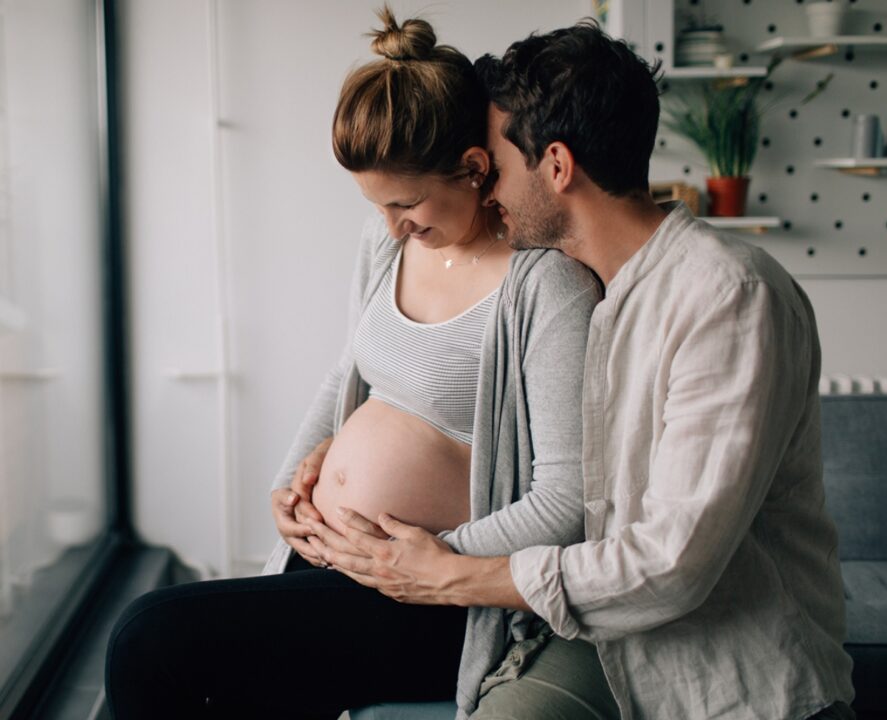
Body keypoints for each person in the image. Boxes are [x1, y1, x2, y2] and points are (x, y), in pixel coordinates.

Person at [313, 21, 857, 720]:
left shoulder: (725, 296)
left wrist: (451, 572)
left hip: (723, 670)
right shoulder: (588, 289)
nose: (485, 187)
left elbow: (673, 564)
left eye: (497, 168)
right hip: (594, 639)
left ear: (559, 167)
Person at [105, 9, 600, 719]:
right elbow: (349, 372)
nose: (395, 225)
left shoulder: (544, 286)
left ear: (474, 167)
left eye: (407, 203)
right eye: (380, 205)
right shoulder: (388, 244)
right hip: (343, 568)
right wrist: (288, 488)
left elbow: (565, 503)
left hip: (434, 601)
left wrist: (430, 559)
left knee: (148, 639)